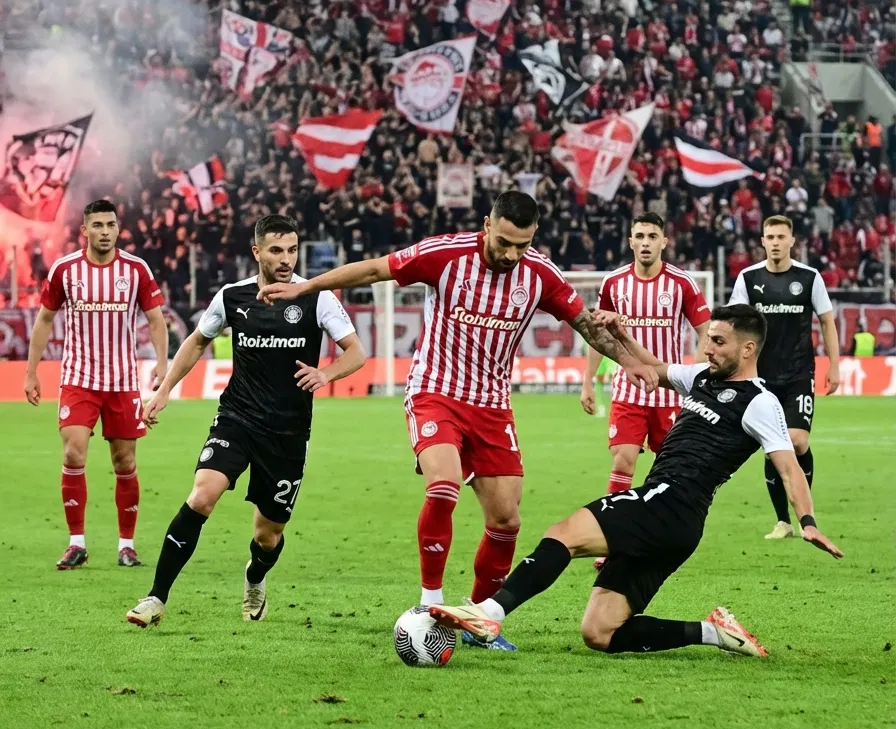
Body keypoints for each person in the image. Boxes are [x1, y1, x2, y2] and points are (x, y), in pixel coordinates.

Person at [257, 190, 656, 652]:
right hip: (436, 392)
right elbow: (374, 270)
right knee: (443, 486)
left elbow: (585, 324)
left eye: (522, 245)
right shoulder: (445, 255)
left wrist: (631, 361)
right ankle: (429, 607)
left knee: (506, 520)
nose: (512, 255)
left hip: (492, 406)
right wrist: (306, 288)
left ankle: (478, 620)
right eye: (504, 242)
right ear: (487, 225)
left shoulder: (540, 274)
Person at [428, 305, 842, 658]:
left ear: (748, 349)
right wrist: (622, 334)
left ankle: (488, 614)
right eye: (709, 340)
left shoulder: (760, 402)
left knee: (563, 534)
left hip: (668, 503)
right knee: (600, 632)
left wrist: (807, 522)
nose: (708, 348)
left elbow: (789, 466)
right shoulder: (703, 377)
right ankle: (714, 633)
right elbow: (654, 370)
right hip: (678, 524)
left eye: (718, 342)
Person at [125, 215, 366, 628]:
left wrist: (326, 374)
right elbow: (197, 341)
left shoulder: (317, 297)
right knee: (201, 496)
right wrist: (163, 390)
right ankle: (155, 597)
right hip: (237, 418)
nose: (286, 259)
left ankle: (255, 577)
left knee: (267, 535)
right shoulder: (232, 297)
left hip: (288, 432)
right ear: (257, 252)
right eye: (276, 250)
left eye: (292, 250)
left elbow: (356, 352)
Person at [24, 200, 168, 570]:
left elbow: (156, 320)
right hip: (79, 379)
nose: (105, 231)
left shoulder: (135, 269)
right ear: (84, 230)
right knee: (73, 453)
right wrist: (31, 371)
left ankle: (126, 546)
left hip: (122, 381)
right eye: (98, 225)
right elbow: (44, 319)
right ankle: (76, 543)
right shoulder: (65, 269)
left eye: (111, 224)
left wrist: (162, 364)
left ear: (118, 228)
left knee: (125, 461)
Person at [580, 213, 710, 532]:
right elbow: (599, 335)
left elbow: (706, 331)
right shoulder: (614, 283)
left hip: (669, 394)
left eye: (652, 236)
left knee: (673, 470)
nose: (646, 243)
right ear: (631, 242)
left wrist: (693, 377)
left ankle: (665, 531)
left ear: (664, 242)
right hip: (628, 391)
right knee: (623, 459)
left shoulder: (681, 283)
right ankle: (612, 534)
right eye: (639, 236)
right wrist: (588, 382)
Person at [729, 215, 840, 541]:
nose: (775, 242)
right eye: (770, 237)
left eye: (781, 237)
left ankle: (805, 514)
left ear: (792, 241)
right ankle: (783, 521)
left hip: (798, 373)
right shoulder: (748, 278)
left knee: (798, 441)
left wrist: (834, 366)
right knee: (771, 446)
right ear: (762, 241)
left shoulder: (809, 277)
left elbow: (827, 321)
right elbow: (735, 325)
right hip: (760, 377)